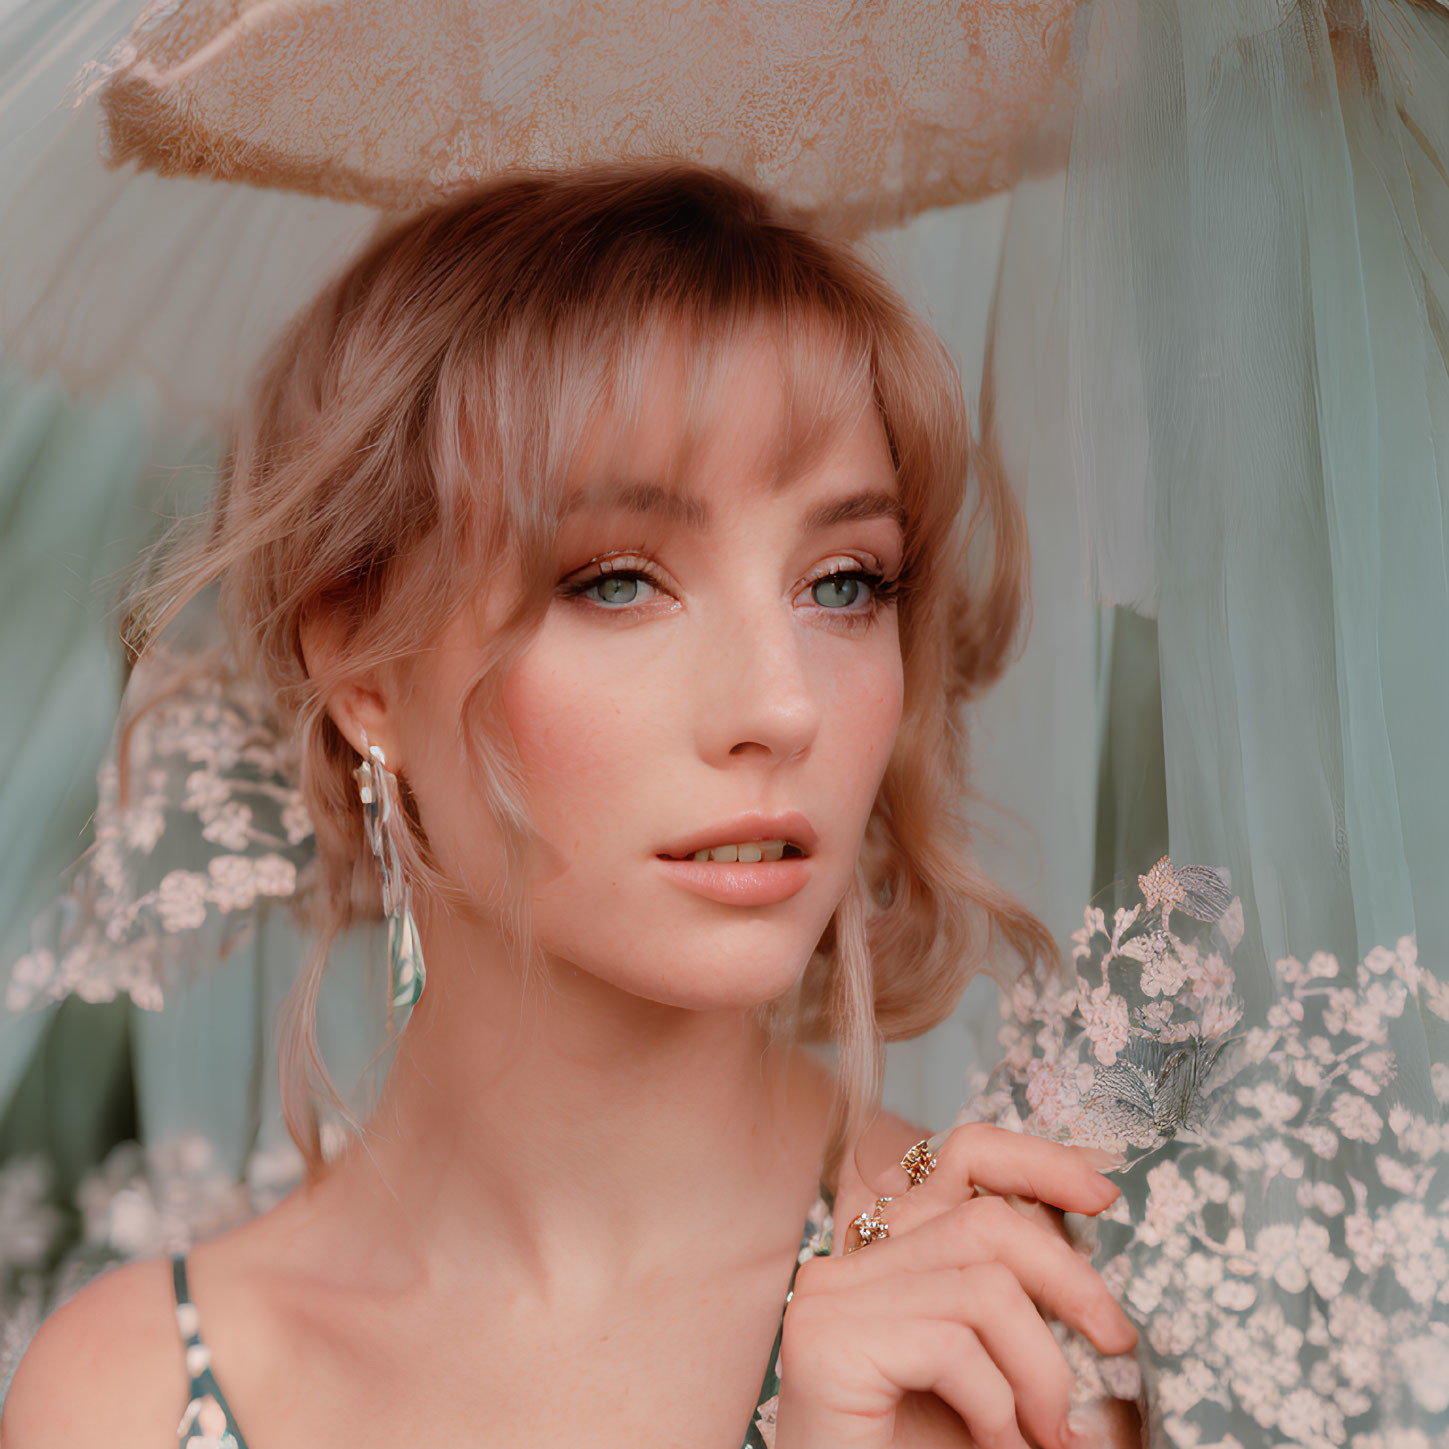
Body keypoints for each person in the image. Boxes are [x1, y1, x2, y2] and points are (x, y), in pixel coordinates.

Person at [0, 163, 1140, 1449]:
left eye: (843, 582)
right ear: (363, 661)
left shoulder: (998, 1318)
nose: (783, 707)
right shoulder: (127, 1399)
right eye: (615, 582)